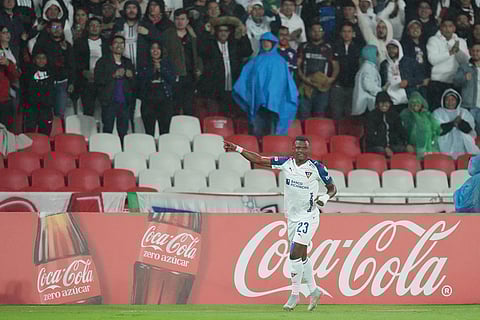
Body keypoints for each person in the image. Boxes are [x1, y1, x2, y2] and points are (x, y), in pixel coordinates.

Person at [223, 135, 337, 312]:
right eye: (297, 148)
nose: (300, 151)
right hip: (291, 217)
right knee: (302, 256)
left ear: (309, 150)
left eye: (303, 148)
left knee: (294, 254)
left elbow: (332, 188)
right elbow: (260, 160)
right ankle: (314, 290)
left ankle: (294, 295)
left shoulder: (317, 168)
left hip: (309, 217)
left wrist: (325, 197)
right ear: (293, 149)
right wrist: (238, 149)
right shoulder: (286, 163)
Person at [233, 32, 297, 136]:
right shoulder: (255, 61)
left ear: (273, 43)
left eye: (268, 42)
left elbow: (284, 82)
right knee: (257, 129)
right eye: (263, 42)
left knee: (272, 130)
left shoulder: (280, 61)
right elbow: (247, 78)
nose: (266, 44)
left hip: (274, 102)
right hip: (258, 101)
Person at [94, 35, 136, 143]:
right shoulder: (102, 62)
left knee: (123, 131)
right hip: (109, 101)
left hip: (124, 102)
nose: (119, 45)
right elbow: (98, 80)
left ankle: (122, 151)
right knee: (108, 129)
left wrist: (131, 76)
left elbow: (135, 83)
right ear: (111, 46)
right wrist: (113, 75)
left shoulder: (128, 62)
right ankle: (107, 152)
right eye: (116, 43)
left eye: (122, 43)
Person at [137, 41, 176, 136]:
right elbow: (140, 81)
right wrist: (152, 69)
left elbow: (172, 80)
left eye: (158, 48)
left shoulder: (168, 63)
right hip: (148, 99)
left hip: (164, 98)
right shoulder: (144, 63)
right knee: (149, 130)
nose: (155, 51)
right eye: (152, 48)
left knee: (165, 130)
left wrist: (161, 69)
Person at [432, 88, 480, 159]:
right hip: (443, 145)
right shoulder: (437, 113)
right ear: (443, 100)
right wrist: (453, 123)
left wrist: (461, 122)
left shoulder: (464, 112)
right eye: (447, 99)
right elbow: (437, 131)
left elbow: (470, 130)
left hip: (463, 146)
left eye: (452, 99)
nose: (450, 102)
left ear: (457, 101)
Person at [365, 91, 414, 157]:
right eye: (381, 102)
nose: (384, 105)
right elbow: (370, 136)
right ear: (377, 104)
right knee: (381, 150)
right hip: (376, 146)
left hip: (392, 145)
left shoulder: (394, 115)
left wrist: (407, 143)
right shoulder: (371, 116)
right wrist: (385, 147)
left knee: (406, 149)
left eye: (386, 102)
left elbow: (401, 130)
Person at [400, 91, 441, 159]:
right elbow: (401, 132)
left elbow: (437, 129)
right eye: (413, 102)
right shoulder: (405, 115)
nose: (415, 104)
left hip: (430, 147)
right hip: (412, 148)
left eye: (417, 102)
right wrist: (406, 144)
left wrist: (433, 142)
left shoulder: (427, 115)